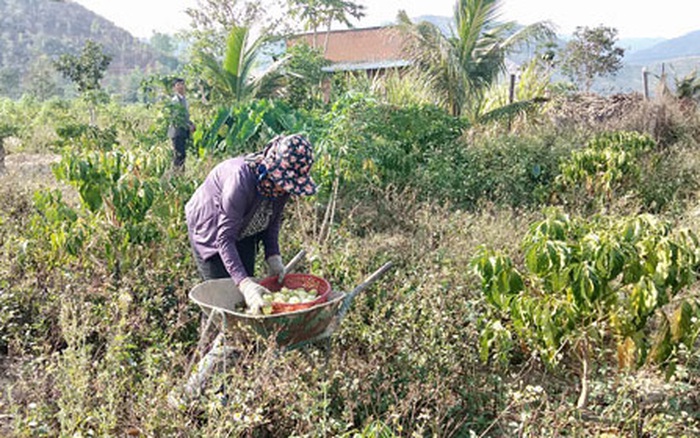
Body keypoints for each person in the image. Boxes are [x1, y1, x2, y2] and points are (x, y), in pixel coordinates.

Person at [185, 134, 317, 314]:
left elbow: (272, 219)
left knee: (247, 294)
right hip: (212, 230)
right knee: (222, 303)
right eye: (285, 183)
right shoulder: (240, 181)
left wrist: (273, 257)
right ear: (273, 168)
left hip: (245, 226)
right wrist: (245, 284)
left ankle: (244, 338)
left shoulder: (281, 186)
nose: (286, 189)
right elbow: (224, 240)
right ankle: (213, 338)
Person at [167, 78, 196, 169]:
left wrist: (191, 124)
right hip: (176, 132)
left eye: (182, 84)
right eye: (178, 85)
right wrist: (188, 125)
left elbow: (185, 116)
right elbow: (177, 117)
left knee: (182, 155)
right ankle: (176, 176)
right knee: (178, 155)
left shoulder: (184, 100)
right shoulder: (175, 100)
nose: (181, 87)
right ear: (174, 88)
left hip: (182, 132)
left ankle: (180, 175)